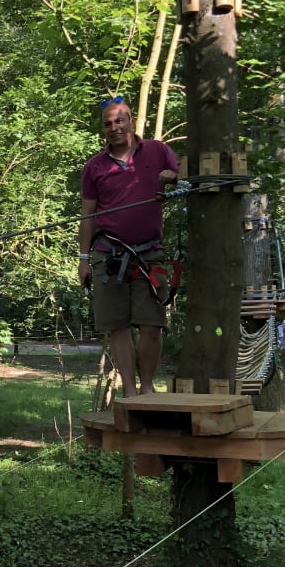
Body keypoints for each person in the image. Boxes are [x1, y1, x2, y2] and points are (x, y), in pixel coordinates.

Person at [78, 96, 178, 397]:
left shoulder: (158, 150)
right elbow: (88, 216)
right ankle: (131, 392)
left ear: (131, 120)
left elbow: (185, 177)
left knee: (151, 324)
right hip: (108, 254)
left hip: (150, 252)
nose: (114, 127)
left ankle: (147, 388)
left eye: (119, 120)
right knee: (117, 326)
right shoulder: (95, 166)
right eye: (107, 123)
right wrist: (83, 259)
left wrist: (173, 177)